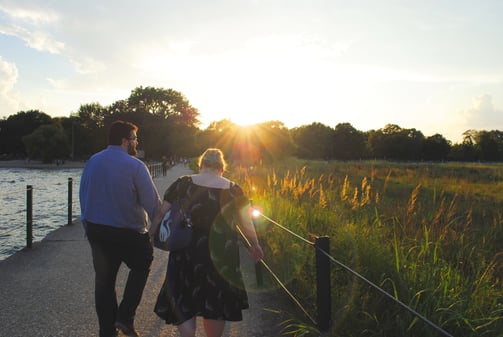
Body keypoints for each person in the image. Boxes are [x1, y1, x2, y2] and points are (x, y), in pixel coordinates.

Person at [150, 148, 264, 337]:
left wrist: (151, 234)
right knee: (216, 300)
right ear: (222, 167)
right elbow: (246, 222)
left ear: (201, 165)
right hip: (221, 255)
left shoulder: (183, 183)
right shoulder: (234, 189)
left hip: (186, 252)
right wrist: (255, 244)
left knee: (184, 297)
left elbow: (162, 213)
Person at [80, 120, 161, 337]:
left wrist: (86, 225)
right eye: (135, 138)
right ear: (125, 141)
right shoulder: (135, 166)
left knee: (104, 281)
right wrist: (155, 233)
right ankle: (125, 317)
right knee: (143, 262)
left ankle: (107, 331)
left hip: (97, 231)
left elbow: (83, 194)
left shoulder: (93, 161)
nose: (137, 142)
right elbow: (153, 204)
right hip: (128, 232)